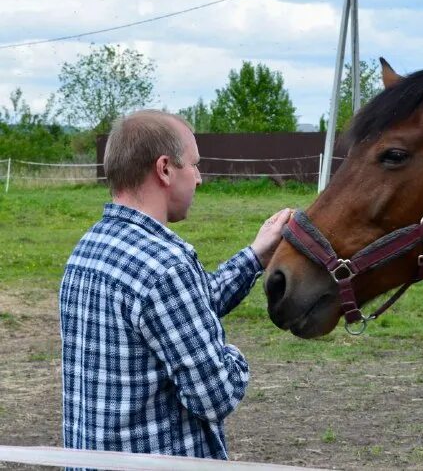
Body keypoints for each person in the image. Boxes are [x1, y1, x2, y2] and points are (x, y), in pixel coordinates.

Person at [59, 109, 291, 460]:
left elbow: (179, 311)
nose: (198, 178)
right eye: (194, 164)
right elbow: (216, 395)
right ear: (165, 168)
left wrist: (256, 256)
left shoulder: (88, 248)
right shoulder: (166, 266)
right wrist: (229, 355)